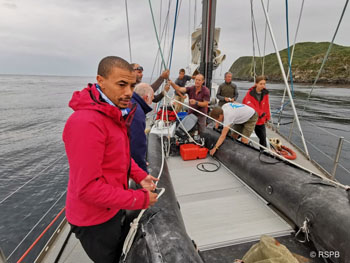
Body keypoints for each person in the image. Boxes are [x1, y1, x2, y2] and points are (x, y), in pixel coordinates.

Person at [62, 56, 159, 263]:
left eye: (132, 85)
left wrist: (140, 176)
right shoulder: (86, 123)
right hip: (93, 220)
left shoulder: (112, 112)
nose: (128, 93)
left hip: (111, 207)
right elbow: (88, 189)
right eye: (121, 84)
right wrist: (139, 199)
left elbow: (120, 156)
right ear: (101, 81)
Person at [130, 82, 155, 173]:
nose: (151, 102)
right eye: (152, 98)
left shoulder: (131, 103)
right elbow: (137, 144)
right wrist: (143, 170)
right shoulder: (138, 114)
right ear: (146, 97)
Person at [242, 75, 270, 148]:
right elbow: (249, 105)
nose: (263, 86)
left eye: (264, 84)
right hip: (250, 119)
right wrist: (260, 113)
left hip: (260, 120)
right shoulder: (250, 93)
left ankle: (263, 152)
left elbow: (266, 105)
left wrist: (267, 117)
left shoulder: (265, 93)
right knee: (242, 135)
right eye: (261, 84)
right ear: (256, 84)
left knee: (263, 137)